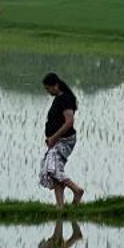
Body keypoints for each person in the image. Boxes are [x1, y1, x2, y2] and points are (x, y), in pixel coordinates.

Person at [39, 72, 85, 207]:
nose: (47, 91)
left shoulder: (65, 99)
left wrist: (53, 137)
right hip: (56, 140)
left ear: (55, 85)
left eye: (48, 88)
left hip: (64, 140)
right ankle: (60, 206)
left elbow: (69, 122)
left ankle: (77, 190)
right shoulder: (59, 98)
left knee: (51, 170)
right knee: (56, 172)